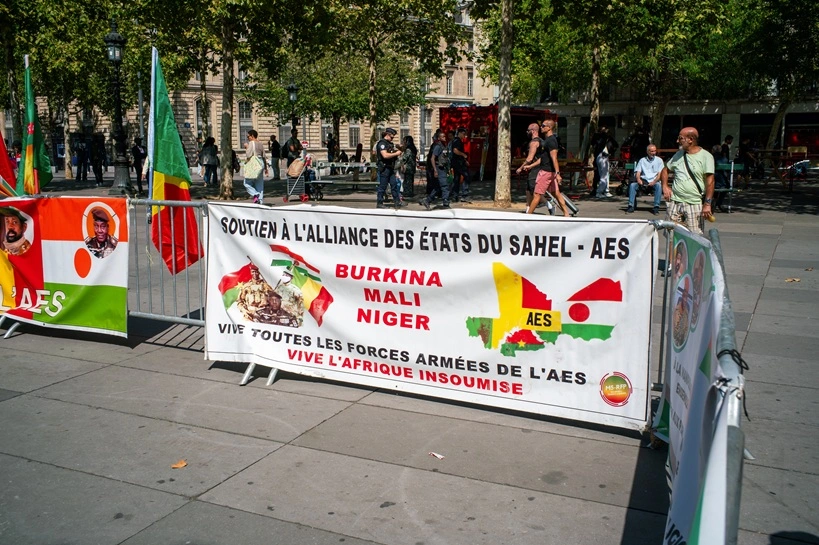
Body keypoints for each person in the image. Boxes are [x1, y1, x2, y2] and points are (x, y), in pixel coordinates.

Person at [660, 127, 715, 235]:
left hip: (693, 202)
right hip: (675, 201)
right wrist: (665, 186)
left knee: (694, 237)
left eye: (680, 138)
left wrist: (707, 204)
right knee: (671, 235)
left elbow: (710, 181)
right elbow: (665, 170)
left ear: (690, 139)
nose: (677, 141)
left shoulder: (706, 156)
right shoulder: (679, 154)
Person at [524, 120, 570, 216]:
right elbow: (543, 158)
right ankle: (566, 214)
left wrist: (558, 174)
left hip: (546, 172)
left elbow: (554, 158)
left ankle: (528, 216)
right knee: (556, 193)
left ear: (549, 128)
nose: (541, 127)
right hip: (549, 172)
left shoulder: (551, 141)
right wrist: (530, 166)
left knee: (537, 194)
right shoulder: (547, 140)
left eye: (543, 126)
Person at [628, 144, 664, 215]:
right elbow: (638, 172)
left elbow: (660, 174)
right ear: (647, 152)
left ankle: (656, 207)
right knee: (632, 185)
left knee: (659, 186)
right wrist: (638, 179)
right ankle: (631, 206)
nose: (654, 153)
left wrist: (654, 181)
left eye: (655, 151)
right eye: (652, 151)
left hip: (654, 181)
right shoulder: (642, 160)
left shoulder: (659, 160)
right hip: (643, 181)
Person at [516, 123, 543, 212]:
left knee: (533, 189)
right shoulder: (542, 141)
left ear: (533, 131)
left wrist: (520, 168)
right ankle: (528, 207)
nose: (527, 132)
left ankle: (548, 204)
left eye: (528, 130)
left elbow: (530, 158)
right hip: (539, 167)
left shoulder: (534, 142)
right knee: (528, 188)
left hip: (536, 168)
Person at [421, 130, 451, 210]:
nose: (444, 138)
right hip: (439, 168)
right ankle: (445, 202)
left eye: (445, 136)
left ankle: (427, 200)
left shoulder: (444, 146)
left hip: (443, 168)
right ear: (439, 138)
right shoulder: (438, 146)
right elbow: (432, 158)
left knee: (437, 187)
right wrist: (435, 170)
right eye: (442, 137)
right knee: (445, 186)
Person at [374, 128, 403, 209]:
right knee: (383, 186)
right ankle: (379, 203)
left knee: (394, 185)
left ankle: (397, 201)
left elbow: (391, 153)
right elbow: (385, 155)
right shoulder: (382, 143)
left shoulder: (389, 144)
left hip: (390, 167)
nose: (392, 138)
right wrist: (396, 153)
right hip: (384, 168)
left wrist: (397, 151)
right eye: (392, 136)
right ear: (387, 135)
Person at [592, 126, 618, 199]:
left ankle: (605, 190)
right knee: (604, 175)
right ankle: (600, 191)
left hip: (603, 156)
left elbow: (615, 144)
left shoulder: (605, 138)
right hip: (602, 156)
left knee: (605, 174)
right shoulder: (602, 137)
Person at [243, 129, 268, 204]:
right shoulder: (260, 143)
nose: (248, 138)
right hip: (260, 163)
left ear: (252, 136)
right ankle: (260, 201)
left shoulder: (251, 143)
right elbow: (264, 156)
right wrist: (266, 168)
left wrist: (246, 147)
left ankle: (255, 194)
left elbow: (248, 155)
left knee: (246, 183)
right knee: (259, 183)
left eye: (248, 136)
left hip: (254, 164)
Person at [450, 127, 470, 202]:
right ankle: (464, 194)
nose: (464, 136)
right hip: (459, 163)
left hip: (457, 162)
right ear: (460, 133)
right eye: (464, 134)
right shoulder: (457, 141)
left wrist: (464, 160)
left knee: (456, 178)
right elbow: (455, 150)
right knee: (466, 176)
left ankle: (455, 195)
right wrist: (463, 155)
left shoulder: (456, 140)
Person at [712, 144, 729, 212]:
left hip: (712, 181)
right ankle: (719, 203)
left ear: (713, 150)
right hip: (722, 183)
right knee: (725, 187)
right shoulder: (724, 159)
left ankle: (713, 203)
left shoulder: (711, 158)